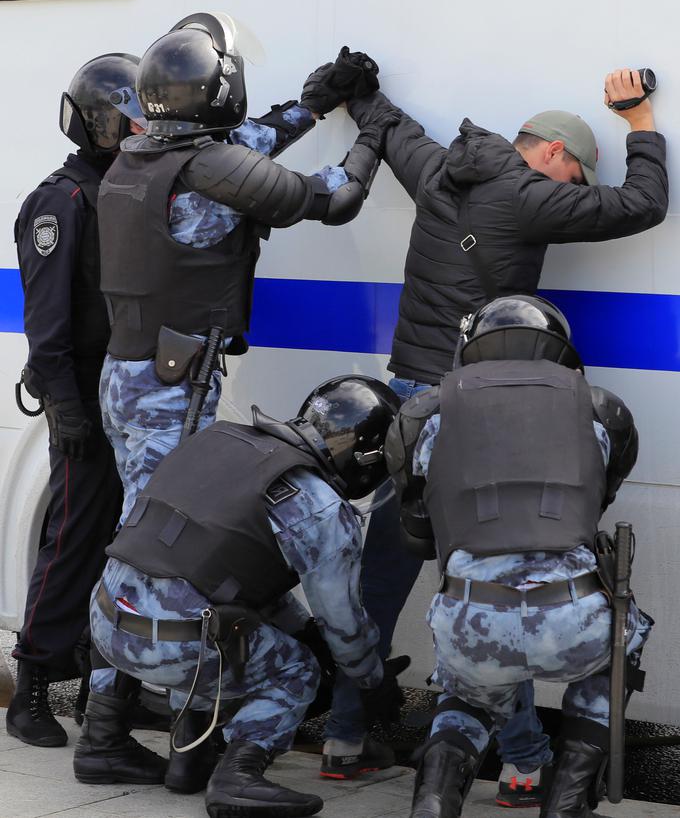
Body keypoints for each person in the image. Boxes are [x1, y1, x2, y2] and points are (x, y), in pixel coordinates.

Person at [299, 62, 667, 798]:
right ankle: (527, 765)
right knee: (496, 579)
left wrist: (354, 87)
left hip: (408, 398)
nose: (570, 194)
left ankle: (343, 737)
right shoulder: (531, 196)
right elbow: (640, 204)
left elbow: (389, 124)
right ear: (554, 155)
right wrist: (641, 124)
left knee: (382, 574)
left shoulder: (438, 166)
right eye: (572, 177)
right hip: (476, 406)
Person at [97, 17, 386, 528]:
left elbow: (252, 142)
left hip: (126, 375)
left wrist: (314, 106)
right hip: (169, 389)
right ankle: (135, 612)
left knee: (142, 515)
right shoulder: (205, 171)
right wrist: (376, 135)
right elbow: (339, 197)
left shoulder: (134, 158)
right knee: (160, 530)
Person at [79, 376, 407, 818]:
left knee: (202, 614)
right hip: (175, 646)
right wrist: (371, 679)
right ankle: (239, 776)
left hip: (103, 620)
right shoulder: (322, 507)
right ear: (367, 460)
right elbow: (344, 628)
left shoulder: (218, 438)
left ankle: (128, 746)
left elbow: (220, 571)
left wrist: (298, 627)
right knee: (295, 669)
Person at [384, 295, 652, 818]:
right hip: (573, 617)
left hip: (471, 617)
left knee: (465, 698)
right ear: (559, 350)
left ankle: (434, 803)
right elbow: (597, 502)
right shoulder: (601, 409)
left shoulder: (426, 412)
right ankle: (567, 801)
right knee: (626, 637)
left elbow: (417, 534)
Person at [6, 54, 143, 748]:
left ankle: (103, 681)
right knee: (70, 539)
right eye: (124, 118)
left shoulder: (127, 187)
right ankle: (31, 685)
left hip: (131, 392)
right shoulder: (62, 201)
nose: (135, 129)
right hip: (83, 394)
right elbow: (49, 325)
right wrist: (67, 411)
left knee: (125, 546)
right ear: (92, 120)